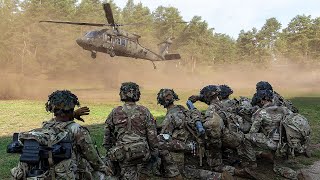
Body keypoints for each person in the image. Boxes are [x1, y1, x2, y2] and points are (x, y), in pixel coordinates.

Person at [10, 90, 112, 179]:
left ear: (52, 109)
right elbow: (93, 158)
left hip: (45, 173)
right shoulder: (77, 130)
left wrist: (72, 115)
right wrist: (104, 168)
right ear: (71, 109)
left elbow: (62, 119)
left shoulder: (46, 126)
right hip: (67, 174)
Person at [157, 88, 233, 180]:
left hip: (184, 150)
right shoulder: (183, 109)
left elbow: (164, 140)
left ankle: (219, 177)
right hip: (197, 146)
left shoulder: (170, 117)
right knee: (192, 169)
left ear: (161, 102)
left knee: (186, 172)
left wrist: (186, 146)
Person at [189, 85, 256, 178]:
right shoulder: (224, 104)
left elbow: (212, 133)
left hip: (228, 139)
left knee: (215, 165)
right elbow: (211, 99)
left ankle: (240, 172)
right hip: (238, 135)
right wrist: (199, 97)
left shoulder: (211, 110)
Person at [245, 90, 307, 179]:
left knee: (246, 137)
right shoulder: (285, 109)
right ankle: (279, 155)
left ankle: (252, 163)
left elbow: (252, 132)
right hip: (287, 143)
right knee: (278, 159)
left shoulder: (261, 113)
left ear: (263, 100)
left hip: (274, 144)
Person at [103, 82, 160, 180]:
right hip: (143, 153)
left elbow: (107, 135)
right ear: (137, 94)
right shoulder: (144, 111)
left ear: (122, 94)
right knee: (144, 173)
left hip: (124, 154)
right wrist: (154, 154)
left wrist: (110, 151)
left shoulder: (115, 112)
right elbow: (152, 136)